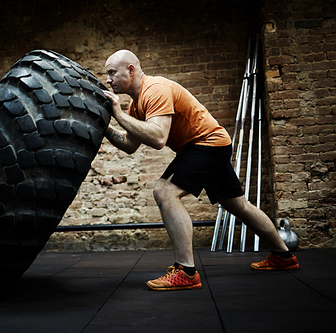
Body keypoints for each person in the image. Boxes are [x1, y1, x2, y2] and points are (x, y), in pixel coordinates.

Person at [102, 50, 299, 291]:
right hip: (210, 145)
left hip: (206, 144)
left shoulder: (155, 89)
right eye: (107, 74)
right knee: (237, 205)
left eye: (112, 72)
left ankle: (186, 271)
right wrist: (106, 127)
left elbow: (158, 138)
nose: (108, 79)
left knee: (165, 192)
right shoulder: (136, 104)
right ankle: (284, 255)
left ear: (130, 70)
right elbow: (130, 145)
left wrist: (118, 114)